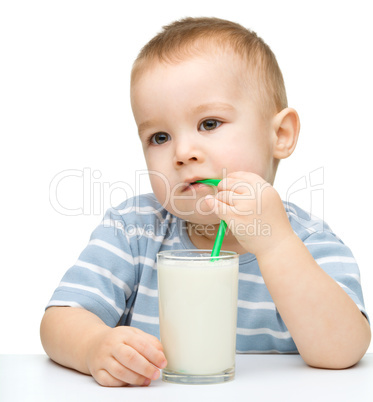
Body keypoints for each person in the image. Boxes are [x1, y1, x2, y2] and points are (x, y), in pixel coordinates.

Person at [40, 17, 371, 387]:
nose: (182, 153)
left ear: (280, 134)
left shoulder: (307, 241)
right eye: (160, 136)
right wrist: (92, 344)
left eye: (209, 124)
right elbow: (60, 319)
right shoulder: (134, 228)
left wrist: (275, 244)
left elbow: (344, 350)